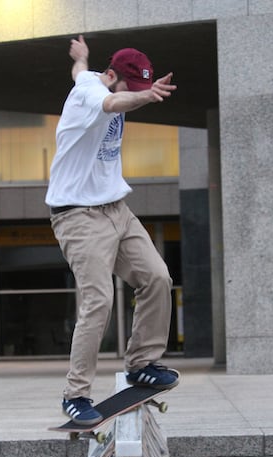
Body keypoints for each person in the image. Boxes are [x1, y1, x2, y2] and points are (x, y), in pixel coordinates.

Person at [46, 35, 179, 425]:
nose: (134, 97)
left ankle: (142, 362)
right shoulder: (90, 93)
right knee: (99, 300)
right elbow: (111, 102)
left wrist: (80, 56)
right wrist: (144, 97)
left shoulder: (85, 74)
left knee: (157, 278)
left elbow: (79, 71)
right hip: (78, 217)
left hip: (116, 210)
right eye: (131, 87)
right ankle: (76, 394)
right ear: (110, 75)